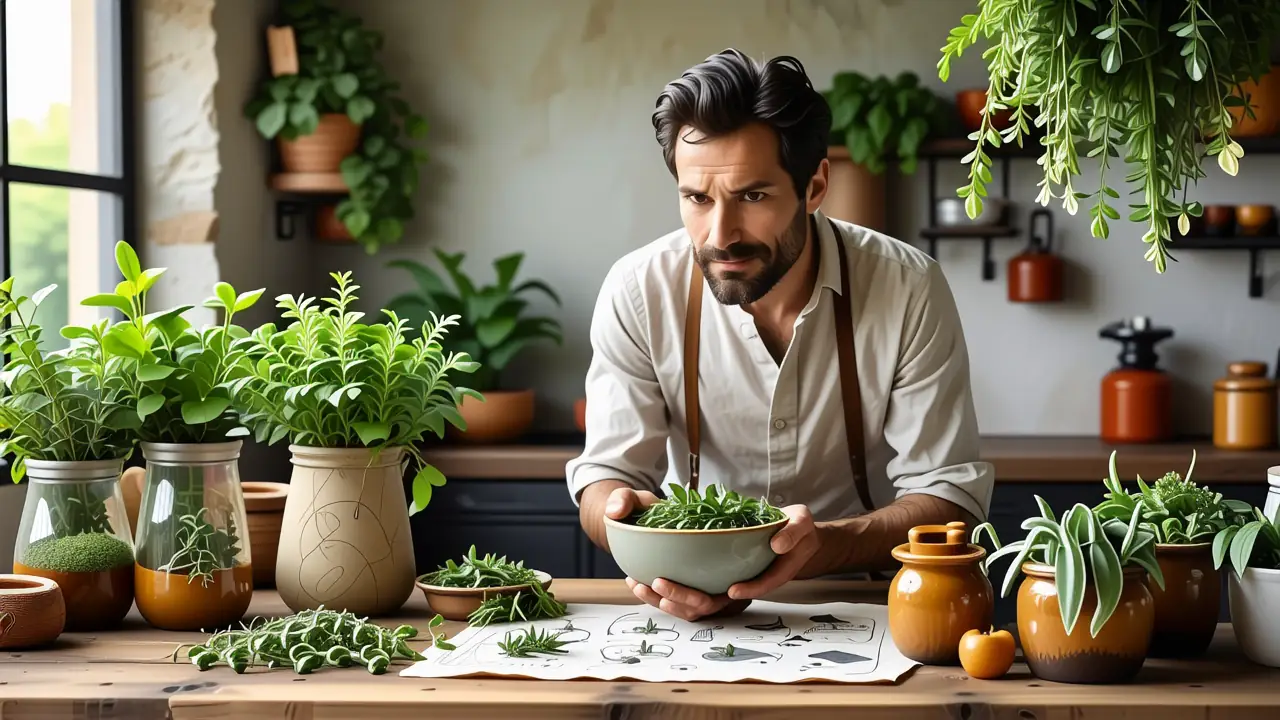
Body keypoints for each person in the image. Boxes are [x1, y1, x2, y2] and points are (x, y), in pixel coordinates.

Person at [564, 48, 994, 622]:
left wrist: (825, 545)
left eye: (753, 196)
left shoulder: (906, 285)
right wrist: (629, 519)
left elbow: (949, 497)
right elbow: (604, 480)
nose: (721, 235)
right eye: (697, 198)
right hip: (691, 596)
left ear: (815, 187)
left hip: (868, 601)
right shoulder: (639, 290)